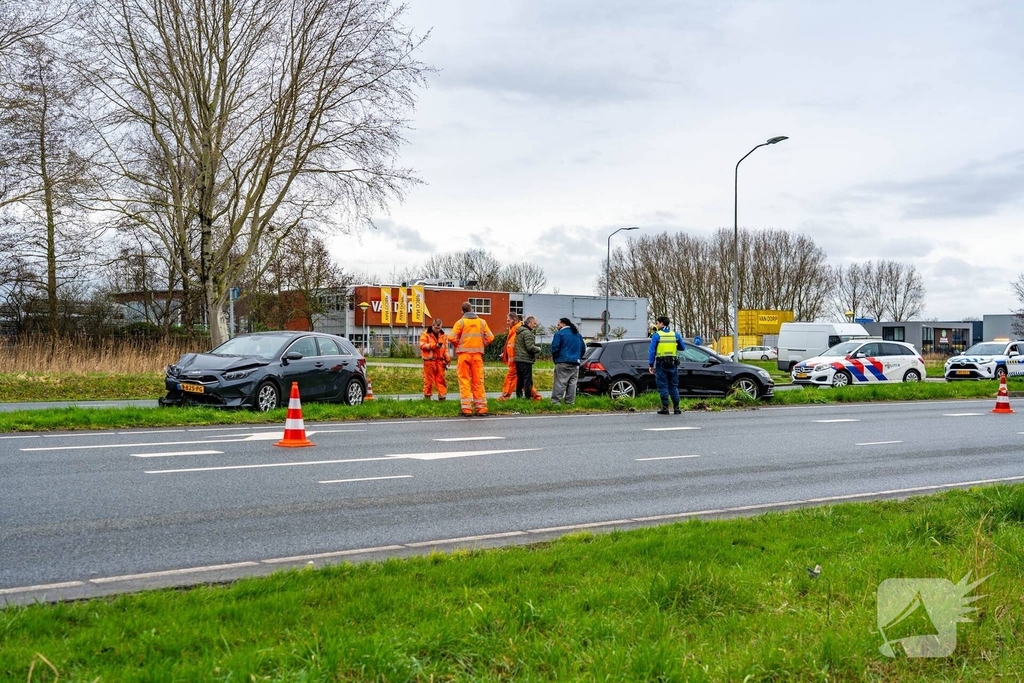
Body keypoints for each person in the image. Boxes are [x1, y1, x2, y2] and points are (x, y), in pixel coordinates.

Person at [450, 301, 495, 416]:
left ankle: (467, 409)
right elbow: (490, 337)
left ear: (462, 311)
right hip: (477, 356)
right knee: (478, 381)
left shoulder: (460, 322)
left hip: (463, 355)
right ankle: (481, 409)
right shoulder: (482, 322)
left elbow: (451, 337)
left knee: (464, 381)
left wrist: (459, 345)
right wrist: (482, 344)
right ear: (472, 309)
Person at [497, 312, 542, 401]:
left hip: (516, 359)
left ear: (514, 320)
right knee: (525, 379)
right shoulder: (516, 330)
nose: (507, 322)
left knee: (517, 379)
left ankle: (506, 397)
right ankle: (534, 397)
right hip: (520, 359)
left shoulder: (517, 330)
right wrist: (505, 353)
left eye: (508, 320)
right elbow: (513, 345)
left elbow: (516, 345)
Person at [648, 315, 685, 415]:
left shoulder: (657, 335)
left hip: (661, 364)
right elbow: (682, 347)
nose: (656, 325)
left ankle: (665, 408)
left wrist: (651, 364)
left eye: (657, 323)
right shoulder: (675, 335)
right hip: (673, 363)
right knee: (673, 385)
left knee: (663, 385)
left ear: (661, 323)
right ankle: (676, 408)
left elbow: (652, 351)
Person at [550, 317, 585, 405]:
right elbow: (583, 349)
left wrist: (556, 358)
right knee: (572, 383)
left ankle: (556, 402)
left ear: (563, 324)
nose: (557, 326)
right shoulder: (578, 335)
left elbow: (555, 347)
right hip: (575, 362)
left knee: (560, 382)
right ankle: (570, 402)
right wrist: (577, 357)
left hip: (562, 361)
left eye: (558, 324)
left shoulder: (559, 334)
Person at [418, 318, 449, 401]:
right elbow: (422, 345)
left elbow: (445, 349)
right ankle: (427, 397)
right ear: (432, 326)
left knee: (441, 380)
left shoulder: (443, 335)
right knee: (428, 381)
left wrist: (447, 359)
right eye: (436, 328)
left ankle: (442, 397)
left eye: (439, 328)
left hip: (440, 361)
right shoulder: (425, 334)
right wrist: (434, 346)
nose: (438, 330)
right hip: (429, 361)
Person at [513, 315, 541, 399]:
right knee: (527, 380)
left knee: (520, 379)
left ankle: (519, 397)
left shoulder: (520, 332)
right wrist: (538, 349)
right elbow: (530, 347)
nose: (535, 325)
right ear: (529, 323)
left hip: (518, 359)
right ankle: (527, 398)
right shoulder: (528, 333)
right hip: (525, 359)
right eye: (534, 323)